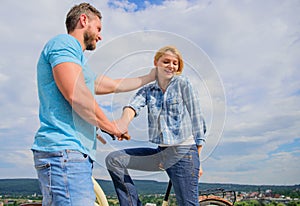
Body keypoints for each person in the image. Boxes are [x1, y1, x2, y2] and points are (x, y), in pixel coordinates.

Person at [31, 3, 155, 206]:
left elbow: (114, 84)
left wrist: (151, 76)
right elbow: (76, 94)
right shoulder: (64, 43)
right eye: (98, 28)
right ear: (83, 20)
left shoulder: (78, 63)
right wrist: (109, 126)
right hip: (65, 152)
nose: (100, 36)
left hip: (73, 154)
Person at [105, 45, 207, 206]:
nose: (171, 66)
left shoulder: (182, 84)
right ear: (156, 62)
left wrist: (197, 160)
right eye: (166, 61)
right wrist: (122, 124)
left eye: (175, 63)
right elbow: (132, 107)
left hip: (184, 153)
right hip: (161, 153)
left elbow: (197, 118)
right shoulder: (148, 90)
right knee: (114, 160)